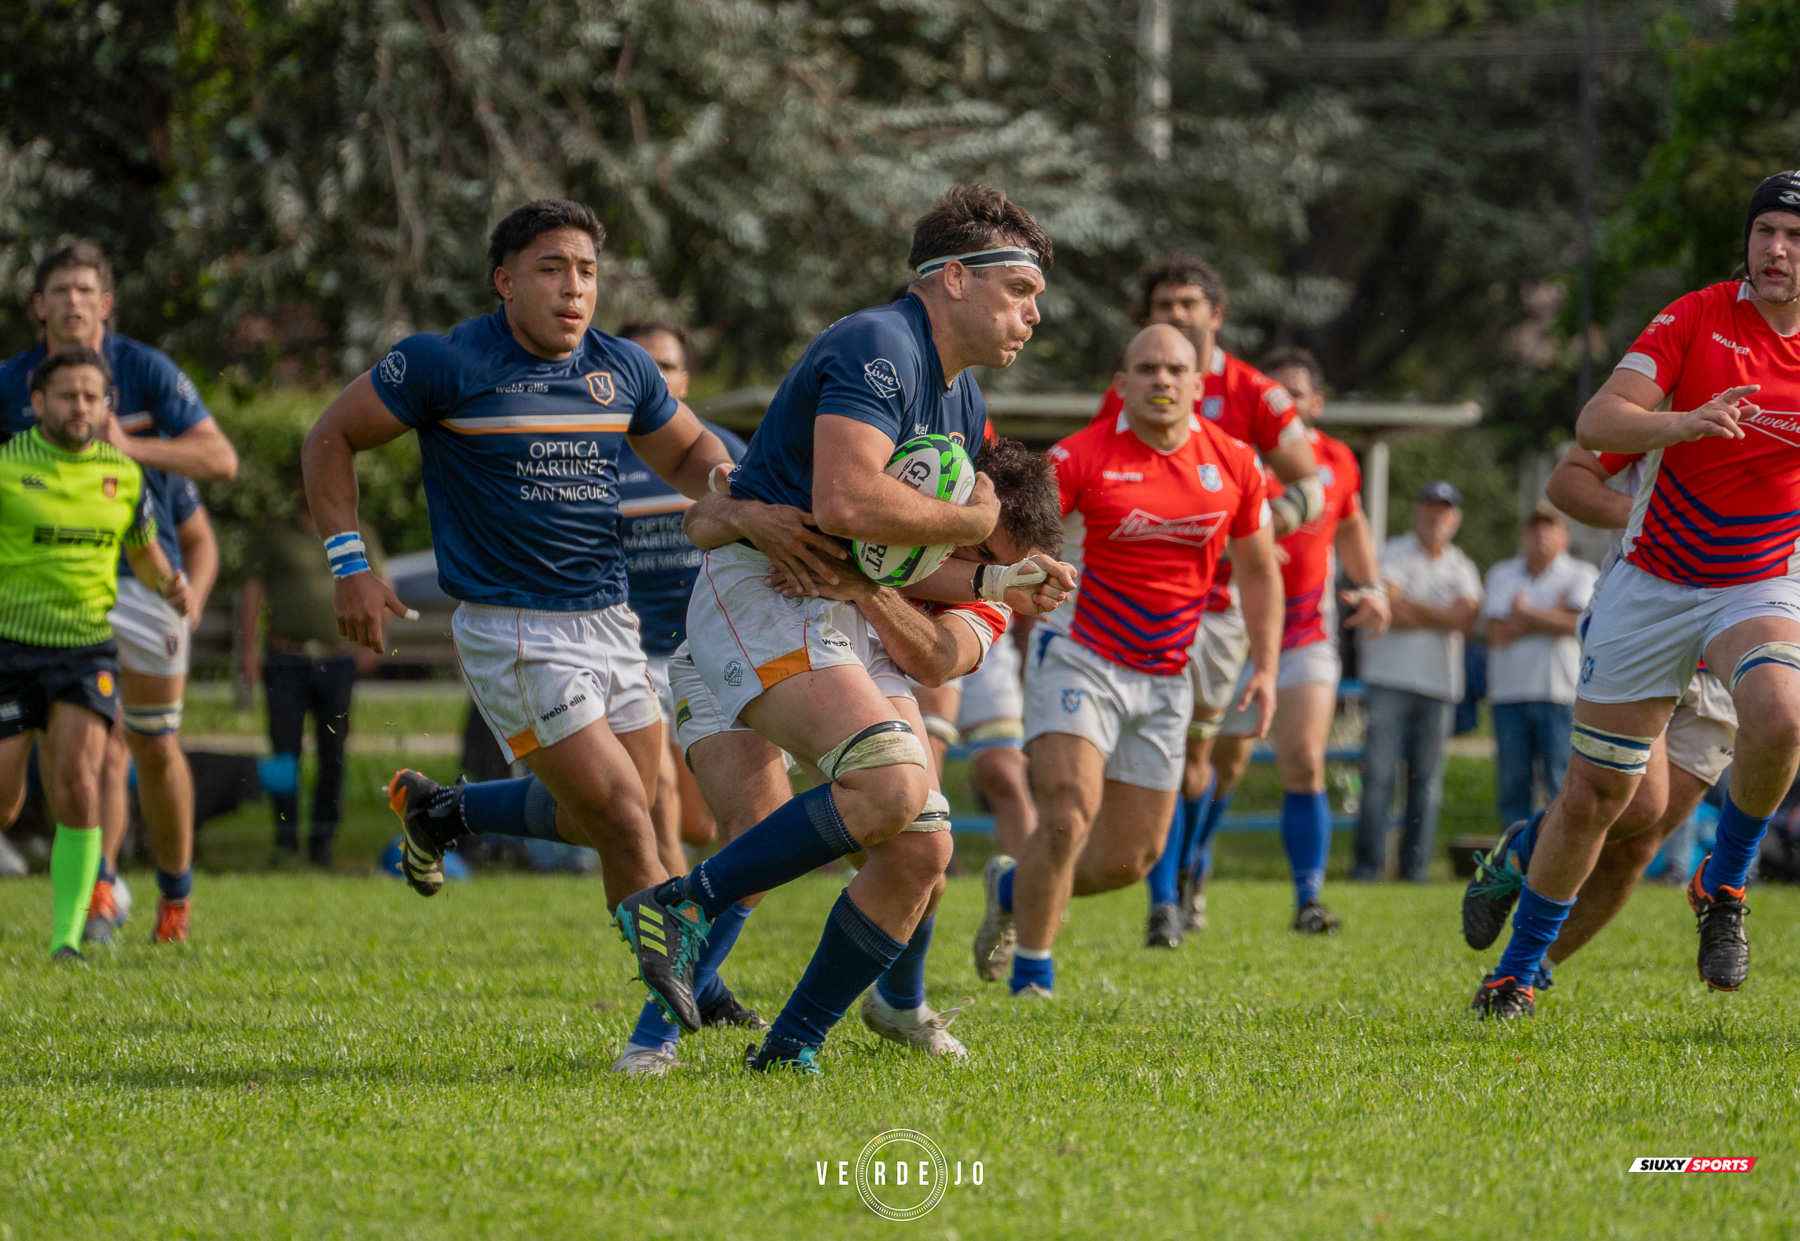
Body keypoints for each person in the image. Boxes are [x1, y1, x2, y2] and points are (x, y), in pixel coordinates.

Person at [610, 183, 1066, 1072]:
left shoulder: (961, 399)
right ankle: (680, 909)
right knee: (880, 790)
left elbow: (893, 563)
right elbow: (847, 498)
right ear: (957, 280)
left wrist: (990, 576)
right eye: (1022, 290)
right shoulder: (879, 343)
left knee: (924, 843)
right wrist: (974, 530)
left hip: (827, 602)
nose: (1034, 315)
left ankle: (790, 1046)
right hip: (764, 594)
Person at [302, 200, 793, 1021]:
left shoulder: (623, 369)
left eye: (587, 272)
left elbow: (688, 451)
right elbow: (328, 437)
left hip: (611, 621)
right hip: (512, 628)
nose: (574, 289)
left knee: (617, 809)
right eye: (551, 269)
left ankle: (442, 809)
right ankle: (679, 1011)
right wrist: (350, 565)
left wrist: (737, 499)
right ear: (504, 281)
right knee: (627, 814)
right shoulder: (441, 363)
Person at [1469, 172, 1800, 1019]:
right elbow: (1593, 428)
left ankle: (1722, 884)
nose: (1777, 249)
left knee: (1779, 719)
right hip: (1652, 584)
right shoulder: (1693, 317)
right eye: (1766, 230)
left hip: (1756, 581)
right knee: (1609, 801)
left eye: (1794, 237)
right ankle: (1516, 968)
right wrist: (1681, 423)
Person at [975, 324, 1279, 997]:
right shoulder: (1078, 458)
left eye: (1176, 369)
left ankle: (1011, 885)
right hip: (1078, 657)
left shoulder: (1233, 461)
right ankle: (1033, 974)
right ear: (1121, 385)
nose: (1162, 380)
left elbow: (1258, 569)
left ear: (1200, 384)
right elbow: (1009, 539)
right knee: (1067, 809)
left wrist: (1266, 663)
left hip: (1169, 674)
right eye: (1146, 369)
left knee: (1128, 860)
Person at [0, 242, 238, 946]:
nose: (72, 301)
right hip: (41, 591)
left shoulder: (146, 370)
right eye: (59, 289)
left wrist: (128, 449)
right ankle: (97, 892)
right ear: (38, 304)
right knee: (87, 755)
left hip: (139, 575)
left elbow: (220, 458)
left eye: (86, 290)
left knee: (154, 744)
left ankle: (175, 892)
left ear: (105, 304)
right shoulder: (13, 382)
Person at [1460, 444, 1737, 996]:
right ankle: (1522, 861)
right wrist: (1654, 513)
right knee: (1631, 805)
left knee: (1640, 842)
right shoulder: (1661, 388)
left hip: (1731, 655)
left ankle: (1527, 972)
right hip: (1644, 631)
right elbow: (1569, 480)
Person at [1096, 259, 1321, 937]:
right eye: (1163, 302)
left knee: (1216, 762)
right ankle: (1163, 902)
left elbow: (1313, 490)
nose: (1176, 313)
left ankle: (1191, 859)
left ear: (1215, 314)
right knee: (1173, 751)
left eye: (1189, 302)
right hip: (1151, 600)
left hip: (1227, 603)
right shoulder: (1133, 386)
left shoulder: (1256, 391)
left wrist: (1248, 527)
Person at [1177, 346, 1389, 938]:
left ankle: (1308, 899)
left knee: (1303, 756)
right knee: (1221, 764)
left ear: (1314, 404)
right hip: (1230, 626)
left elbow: (1350, 524)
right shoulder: (1237, 459)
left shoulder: (1337, 461)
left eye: (1296, 395)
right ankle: (1191, 869)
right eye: (1277, 394)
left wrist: (1371, 584)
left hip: (1306, 629)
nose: (1285, 404)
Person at [0, 346, 192, 960]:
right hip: (9, 649)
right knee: (4, 800)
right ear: (37, 405)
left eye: (92, 395)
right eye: (66, 395)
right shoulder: (7, 467)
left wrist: (170, 583)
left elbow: (143, 548)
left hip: (85, 652)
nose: (80, 406)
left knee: (78, 784)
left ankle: (66, 937)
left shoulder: (123, 474)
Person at [611, 319, 747, 874]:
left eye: (664, 365)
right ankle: (673, 929)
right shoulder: (594, 457)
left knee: (701, 825)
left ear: (684, 380)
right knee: (657, 797)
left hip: (706, 651)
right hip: (628, 651)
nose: (654, 376)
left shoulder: (721, 452)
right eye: (640, 364)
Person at [238, 479, 388, 867]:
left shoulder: (359, 531)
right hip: (285, 658)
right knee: (284, 753)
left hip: (338, 661)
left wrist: (373, 639)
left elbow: (381, 585)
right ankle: (285, 842)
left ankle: (323, 843)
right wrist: (247, 651)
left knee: (333, 754)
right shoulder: (275, 534)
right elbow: (252, 592)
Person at [1353, 481, 1482, 883]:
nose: (1436, 515)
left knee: (1425, 785)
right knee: (1377, 778)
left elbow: (1466, 620)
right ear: (1416, 511)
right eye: (1430, 506)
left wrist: (1408, 607)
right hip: (1388, 679)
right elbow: (1390, 605)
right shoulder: (1391, 552)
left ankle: (1414, 871)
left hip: (1439, 686)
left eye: (1445, 509)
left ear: (1456, 518)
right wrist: (1441, 615)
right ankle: (1367, 870)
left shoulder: (1463, 565)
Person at [1481, 502, 1597, 830]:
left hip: (1559, 693)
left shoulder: (1582, 573)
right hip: (1508, 694)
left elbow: (1578, 624)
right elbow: (1495, 632)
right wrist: (1552, 615)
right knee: (1512, 785)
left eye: (1549, 526)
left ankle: (1557, 857)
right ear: (1523, 535)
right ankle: (1514, 859)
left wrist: (1524, 612)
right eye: (1534, 526)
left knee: (1561, 781)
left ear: (1565, 536)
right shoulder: (1502, 573)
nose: (1541, 534)